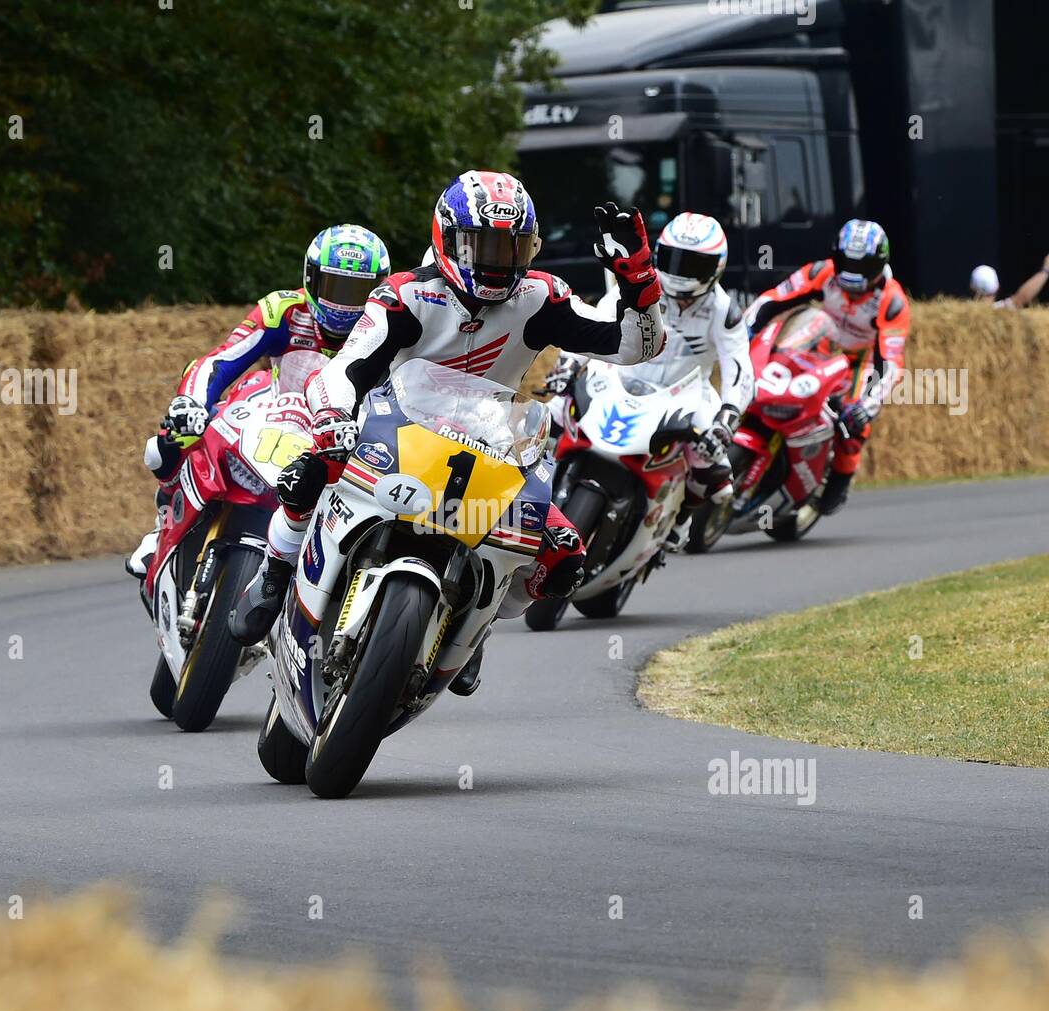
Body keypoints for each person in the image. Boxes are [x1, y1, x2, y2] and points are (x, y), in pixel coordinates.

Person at [228, 169, 667, 693]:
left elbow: (635, 346)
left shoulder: (541, 298)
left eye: (510, 248)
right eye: (481, 246)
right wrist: (332, 421)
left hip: (489, 449)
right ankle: (274, 574)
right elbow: (345, 369)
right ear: (447, 239)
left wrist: (640, 282)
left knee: (565, 554)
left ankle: (474, 627)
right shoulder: (404, 296)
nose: (495, 262)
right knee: (306, 470)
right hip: (389, 434)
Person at [125, 225, 390, 579]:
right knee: (171, 440)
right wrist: (189, 402)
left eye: (357, 291)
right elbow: (221, 360)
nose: (343, 303)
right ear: (311, 278)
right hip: (276, 410)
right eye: (336, 287)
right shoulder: (283, 309)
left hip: (340, 438)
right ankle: (161, 528)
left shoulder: (389, 325)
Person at [549, 211, 753, 550]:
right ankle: (535, 491)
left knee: (717, 475)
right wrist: (566, 365)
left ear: (715, 268)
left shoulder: (723, 310)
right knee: (553, 411)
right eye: (675, 259)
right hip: (621, 375)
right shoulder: (637, 286)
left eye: (694, 264)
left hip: (687, 391)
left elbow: (740, 370)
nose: (681, 272)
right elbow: (595, 325)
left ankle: (681, 519)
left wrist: (727, 420)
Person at [744, 219, 910, 515]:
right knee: (768, 379)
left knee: (853, 424)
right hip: (819, 345)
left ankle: (840, 480)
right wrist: (745, 330)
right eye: (846, 262)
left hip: (859, 361)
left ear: (879, 264)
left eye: (861, 267)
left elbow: (891, 363)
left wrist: (866, 406)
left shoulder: (892, 301)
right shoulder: (822, 272)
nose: (852, 274)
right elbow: (774, 298)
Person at [970, 250, 1049, 309]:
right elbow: (1021, 298)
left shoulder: (964, 315)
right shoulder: (999, 311)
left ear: (971, 288)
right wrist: (1046, 270)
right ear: (997, 287)